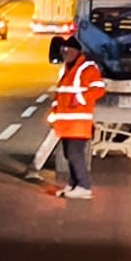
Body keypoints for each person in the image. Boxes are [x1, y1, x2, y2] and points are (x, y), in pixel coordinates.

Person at [48, 36, 107, 200]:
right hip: (66, 123)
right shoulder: (67, 69)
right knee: (69, 154)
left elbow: (99, 89)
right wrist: (54, 114)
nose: (64, 53)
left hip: (78, 123)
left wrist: (80, 98)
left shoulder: (86, 68)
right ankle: (73, 183)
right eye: (63, 50)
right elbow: (61, 95)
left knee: (75, 154)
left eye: (67, 50)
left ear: (76, 51)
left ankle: (84, 186)